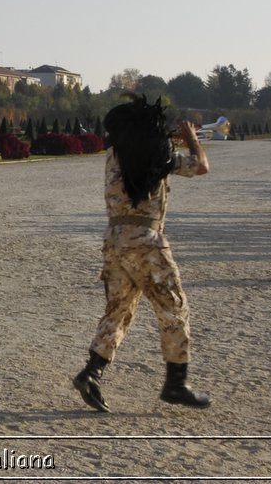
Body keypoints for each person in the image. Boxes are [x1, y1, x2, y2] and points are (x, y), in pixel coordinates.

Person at [72, 95, 212, 412]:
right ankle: (176, 383)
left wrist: (162, 137)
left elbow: (140, 144)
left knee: (118, 310)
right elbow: (202, 165)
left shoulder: (115, 154)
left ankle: (91, 373)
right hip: (146, 240)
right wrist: (190, 138)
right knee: (174, 307)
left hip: (115, 239)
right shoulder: (159, 155)